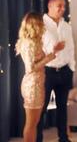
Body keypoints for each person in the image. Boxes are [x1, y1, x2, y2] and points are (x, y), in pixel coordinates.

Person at [16, 12, 65, 142]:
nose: (43, 26)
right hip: (32, 85)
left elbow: (39, 61)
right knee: (31, 124)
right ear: (34, 25)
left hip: (38, 83)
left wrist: (53, 51)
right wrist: (49, 57)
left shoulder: (35, 41)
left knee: (35, 122)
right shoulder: (28, 43)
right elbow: (30, 68)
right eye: (40, 23)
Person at [36, 0, 75, 142]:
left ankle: (63, 138)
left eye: (64, 6)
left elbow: (71, 48)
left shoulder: (67, 26)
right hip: (47, 72)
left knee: (62, 108)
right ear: (50, 6)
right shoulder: (41, 25)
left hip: (64, 71)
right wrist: (53, 50)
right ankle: (38, 139)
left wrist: (72, 68)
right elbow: (38, 51)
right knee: (42, 107)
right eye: (59, 6)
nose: (63, 9)